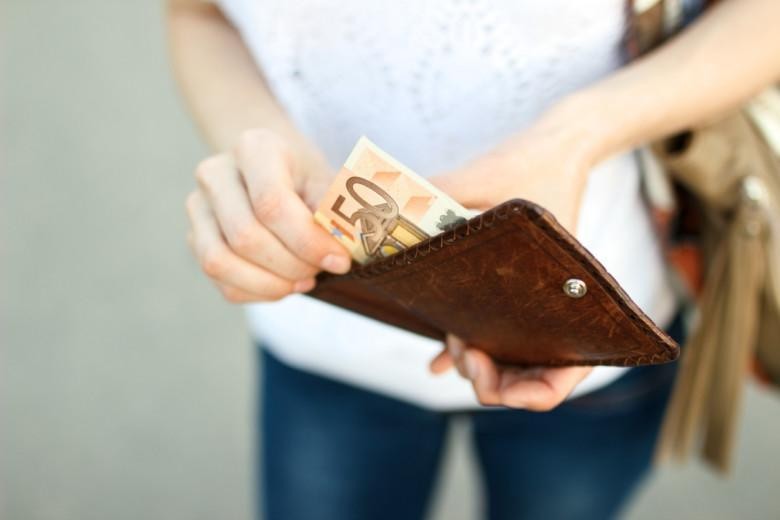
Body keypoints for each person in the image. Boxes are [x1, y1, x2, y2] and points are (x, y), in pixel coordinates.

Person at [167, 1, 780, 518]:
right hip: (323, 330)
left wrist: (574, 136)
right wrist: (264, 150)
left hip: (583, 317)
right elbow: (199, 13)